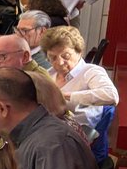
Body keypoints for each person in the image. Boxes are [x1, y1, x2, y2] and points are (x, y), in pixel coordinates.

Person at [41, 26, 119, 161]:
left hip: (78, 141)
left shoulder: (91, 71)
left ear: (79, 52)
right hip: (51, 134)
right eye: (52, 57)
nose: (59, 62)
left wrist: (66, 96)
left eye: (65, 56)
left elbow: (111, 96)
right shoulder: (49, 74)